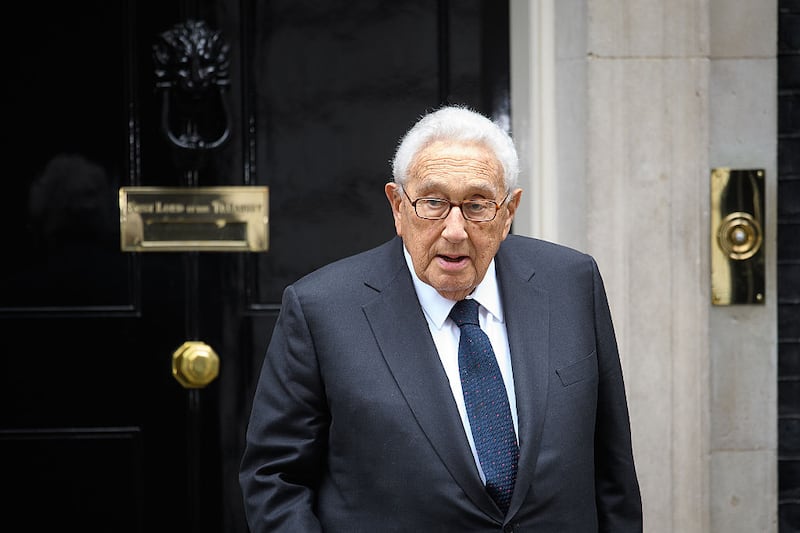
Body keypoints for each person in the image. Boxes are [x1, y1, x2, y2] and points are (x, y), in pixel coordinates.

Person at [239, 105, 643, 531]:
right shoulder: (321, 309)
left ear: (508, 212)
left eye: (477, 204)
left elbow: (612, 467)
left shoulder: (571, 283)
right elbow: (275, 480)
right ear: (397, 206)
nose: (454, 230)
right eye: (432, 202)